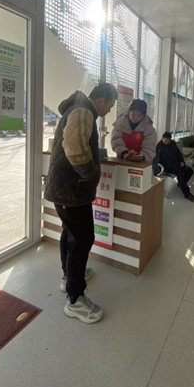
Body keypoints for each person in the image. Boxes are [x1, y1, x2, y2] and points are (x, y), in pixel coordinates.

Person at [44, 83, 118, 325]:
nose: (109, 111)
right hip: (72, 190)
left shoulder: (77, 109)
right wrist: (92, 174)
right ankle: (75, 299)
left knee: (71, 234)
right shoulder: (84, 111)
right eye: (110, 106)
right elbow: (75, 148)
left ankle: (69, 276)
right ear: (102, 101)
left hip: (67, 190)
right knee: (83, 239)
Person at [155, 132, 194, 202]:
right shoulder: (159, 146)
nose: (167, 142)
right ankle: (187, 194)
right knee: (180, 174)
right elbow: (157, 160)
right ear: (162, 138)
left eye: (168, 141)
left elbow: (178, 153)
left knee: (190, 171)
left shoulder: (173, 143)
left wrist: (182, 161)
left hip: (176, 164)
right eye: (165, 141)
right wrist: (160, 170)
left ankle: (181, 184)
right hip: (167, 167)